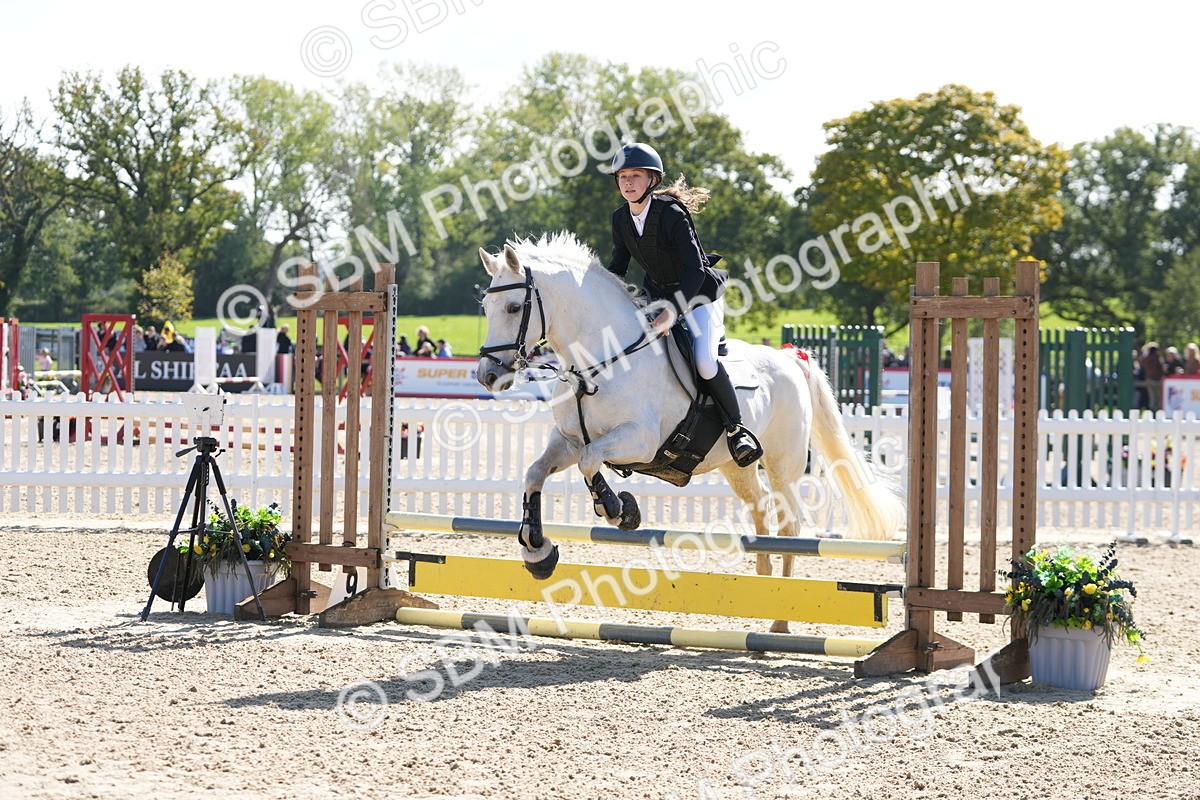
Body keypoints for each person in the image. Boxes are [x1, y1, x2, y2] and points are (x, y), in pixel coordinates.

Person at [605, 142, 761, 467]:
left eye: (635, 175)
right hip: (657, 296)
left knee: (704, 361)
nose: (628, 182)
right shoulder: (621, 219)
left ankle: (736, 429)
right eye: (622, 176)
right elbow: (617, 269)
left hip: (699, 294)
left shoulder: (672, 214)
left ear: (652, 180)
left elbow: (696, 270)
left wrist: (672, 312)